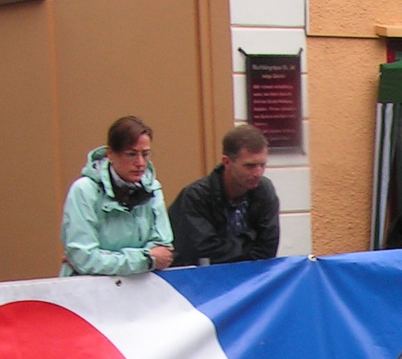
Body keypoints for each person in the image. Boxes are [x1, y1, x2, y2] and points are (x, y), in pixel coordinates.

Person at [61, 115, 174, 276]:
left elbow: (163, 250)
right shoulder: (84, 190)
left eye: (146, 154)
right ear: (111, 154)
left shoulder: (153, 188)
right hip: (88, 292)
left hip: (140, 290)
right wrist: (146, 259)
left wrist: (109, 258)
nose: (140, 163)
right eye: (131, 154)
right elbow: (84, 259)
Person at [168, 125, 281, 266]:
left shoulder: (264, 191)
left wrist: (230, 247)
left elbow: (268, 248)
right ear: (227, 162)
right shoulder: (196, 196)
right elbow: (203, 250)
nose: (258, 173)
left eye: (262, 165)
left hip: (250, 279)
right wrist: (249, 243)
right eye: (250, 166)